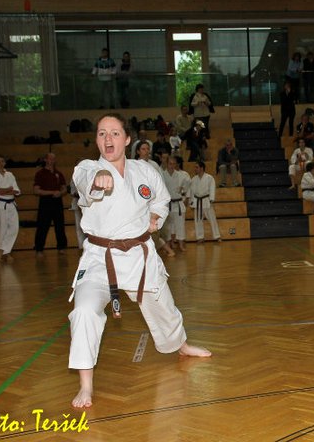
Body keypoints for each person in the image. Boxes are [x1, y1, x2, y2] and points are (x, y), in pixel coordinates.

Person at [68, 113, 211, 409]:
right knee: (83, 311)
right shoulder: (87, 168)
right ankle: (85, 384)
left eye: (114, 133)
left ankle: (182, 346)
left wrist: (155, 216)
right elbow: (85, 183)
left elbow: (160, 200)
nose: (108, 138)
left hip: (138, 255)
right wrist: (99, 179)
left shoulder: (144, 170)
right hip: (100, 258)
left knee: (164, 306)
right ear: (97, 140)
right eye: (102, 133)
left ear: (127, 139)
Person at [136, 141, 176, 258]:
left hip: (154, 202)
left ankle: (152, 255)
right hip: (140, 203)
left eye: (148, 149)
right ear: (138, 151)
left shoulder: (154, 165)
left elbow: (161, 184)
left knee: (154, 232)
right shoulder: (133, 165)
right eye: (143, 149)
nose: (146, 151)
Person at [33, 153, 68, 257]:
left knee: (60, 225)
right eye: (50, 159)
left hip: (57, 201)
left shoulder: (58, 173)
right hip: (45, 202)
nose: (52, 160)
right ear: (45, 160)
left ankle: (61, 247)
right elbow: (36, 190)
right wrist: (52, 192)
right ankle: (39, 249)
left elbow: (64, 188)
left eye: (54, 159)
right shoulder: (40, 173)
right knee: (42, 226)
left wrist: (60, 193)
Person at [0, 154, 20, 263]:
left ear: (5, 163)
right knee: (2, 230)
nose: (1, 163)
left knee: (14, 228)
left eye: (2, 161)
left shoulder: (10, 175)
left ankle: (1, 250)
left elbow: (16, 191)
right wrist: (9, 189)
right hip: (0, 205)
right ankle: (6, 253)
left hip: (12, 204)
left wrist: (5, 190)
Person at [162, 156, 191, 252]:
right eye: (170, 163)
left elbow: (187, 186)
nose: (172, 166)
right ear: (166, 164)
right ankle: (169, 243)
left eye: (174, 164)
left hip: (178, 203)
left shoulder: (181, 175)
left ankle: (181, 243)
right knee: (168, 226)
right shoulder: (162, 175)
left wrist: (184, 192)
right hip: (167, 204)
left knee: (180, 224)